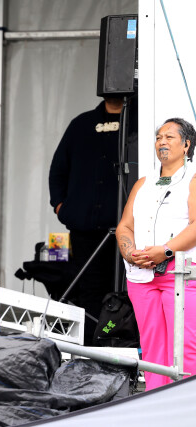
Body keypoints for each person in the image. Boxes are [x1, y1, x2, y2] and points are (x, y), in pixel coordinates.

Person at [116, 118, 196, 390]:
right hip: (141, 276)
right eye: (159, 137)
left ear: (186, 145)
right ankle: (156, 400)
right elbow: (125, 226)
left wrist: (165, 250)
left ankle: (186, 403)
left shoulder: (193, 179)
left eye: (169, 137)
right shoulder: (143, 183)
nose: (162, 142)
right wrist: (130, 252)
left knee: (185, 346)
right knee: (152, 348)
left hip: (180, 274)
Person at [48, 96, 126, 341]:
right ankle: (93, 344)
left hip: (128, 229)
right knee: (89, 288)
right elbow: (58, 170)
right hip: (85, 228)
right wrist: (61, 206)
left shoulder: (138, 122)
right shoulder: (82, 124)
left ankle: (119, 341)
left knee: (126, 289)